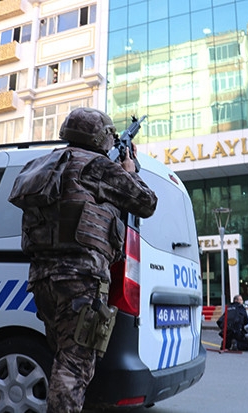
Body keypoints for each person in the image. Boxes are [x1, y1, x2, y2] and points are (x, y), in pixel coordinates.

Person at [9, 107, 158, 412]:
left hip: (42, 279)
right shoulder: (98, 167)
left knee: (63, 358)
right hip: (82, 279)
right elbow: (147, 203)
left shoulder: (44, 164)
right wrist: (131, 170)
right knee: (75, 366)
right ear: (102, 137)